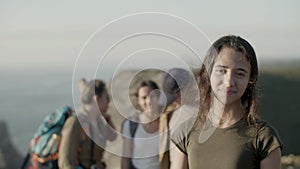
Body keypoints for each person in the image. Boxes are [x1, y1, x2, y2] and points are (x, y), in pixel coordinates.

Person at [171, 35, 283, 169]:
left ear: (250, 80)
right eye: (221, 71)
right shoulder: (186, 132)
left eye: (240, 73)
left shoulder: (264, 138)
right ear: (208, 73)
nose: (229, 82)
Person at [58, 79, 117, 169]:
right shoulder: (75, 122)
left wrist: (106, 116)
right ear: (96, 98)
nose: (109, 102)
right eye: (107, 98)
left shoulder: (99, 121)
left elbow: (113, 136)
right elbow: (65, 162)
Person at [158, 68, 199, 169]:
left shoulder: (194, 113)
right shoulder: (173, 112)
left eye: (176, 96)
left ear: (189, 86)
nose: (174, 101)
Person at [121, 80, 160, 169]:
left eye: (152, 96)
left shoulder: (167, 123)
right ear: (138, 101)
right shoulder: (130, 125)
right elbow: (125, 158)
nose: (149, 101)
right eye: (144, 97)